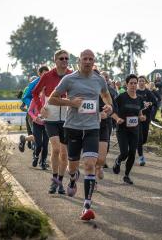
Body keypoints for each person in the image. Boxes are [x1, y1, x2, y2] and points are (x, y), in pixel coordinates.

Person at [48, 49, 113, 220]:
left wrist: (108, 106)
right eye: (85, 59)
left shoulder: (99, 80)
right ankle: (72, 178)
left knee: (90, 165)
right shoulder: (69, 79)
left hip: (92, 128)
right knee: (73, 167)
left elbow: (106, 96)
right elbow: (52, 99)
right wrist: (71, 102)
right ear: (79, 61)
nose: (88, 61)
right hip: (73, 127)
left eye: (91, 59)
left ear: (94, 61)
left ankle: (86, 206)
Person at [33, 50, 72, 194]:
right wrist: (39, 107)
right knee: (55, 149)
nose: (64, 60)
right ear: (55, 60)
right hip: (51, 118)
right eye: (61, 58)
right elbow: (35, 93)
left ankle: (60, 182)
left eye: (66, 58)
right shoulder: (47, 76)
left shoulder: (71, 75)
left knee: (64, 154)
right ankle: (54, 179)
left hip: (67, 118)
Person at [112, 74, 146, 184]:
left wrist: (141, 117)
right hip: (122, 130)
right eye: (131, 83)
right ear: (126, 85)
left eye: (135, 83)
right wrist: (117, 119)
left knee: (132, 153)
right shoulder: (121, 97)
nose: (133, 85)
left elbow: (140, 113)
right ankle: (118, 160)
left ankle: (126, 175)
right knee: (124, 153)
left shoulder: (140, 99)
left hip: (134, 130)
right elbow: (111, 111)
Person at [19, 70, 49, 155]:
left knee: (39, 136)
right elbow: (24, 99)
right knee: (37, 136)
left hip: (42, 114)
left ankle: (25, 140)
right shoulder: (29, 87)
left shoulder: (47, 83)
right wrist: (35, 105)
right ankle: (36, 154)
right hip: (32, 114)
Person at [136, 76, 157, 166]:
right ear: (137, 82)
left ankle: (137, 145)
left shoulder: (148, 92)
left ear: (145, 82)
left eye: (143, 81)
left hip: (146, 116)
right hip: (137, 117)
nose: (141, 82)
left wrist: (150, 103)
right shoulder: (135, 92)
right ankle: (141, 157)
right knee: (140, 138)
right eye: (139, 81)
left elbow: (155, 101)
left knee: (144, 138)